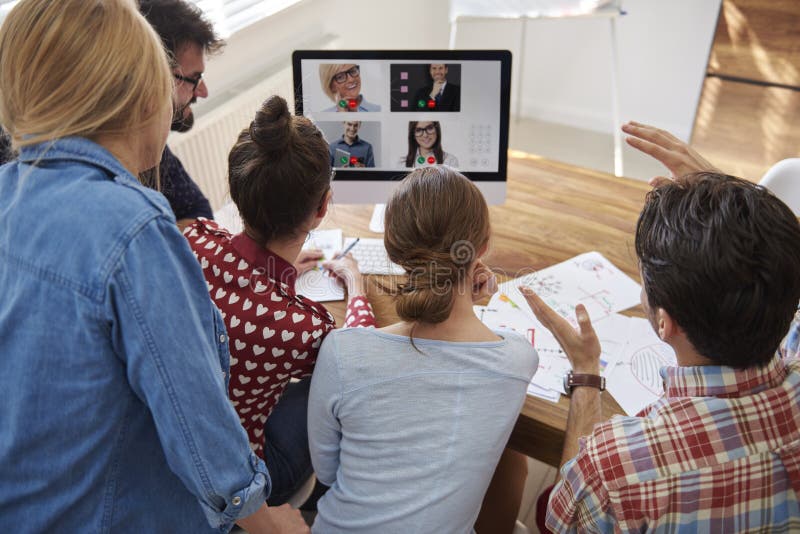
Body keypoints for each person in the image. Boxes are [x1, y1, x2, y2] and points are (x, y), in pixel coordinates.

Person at [0, 1, 306, 532]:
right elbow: (206, 441)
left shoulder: (8, 192)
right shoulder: (133, 229)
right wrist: (274, 524)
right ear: (137, 93)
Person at [520, 135, 800, 530]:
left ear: (665, 324)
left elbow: (560, 522)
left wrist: (586, 375)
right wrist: (729, 203)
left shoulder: (616, 467)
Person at [307, 166, 539, 533]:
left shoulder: (341, 352)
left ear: (393, 250)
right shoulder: (517, 359)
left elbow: (326, 473)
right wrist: (468, 303)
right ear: (483, 247)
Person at [183, 95, 377, 506]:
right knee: (329, 388)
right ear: (323, 206)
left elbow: (234, 291)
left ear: (237, 192)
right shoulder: (302, 328)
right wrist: (357, 288)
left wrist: (279, 272)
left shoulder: (193, 239)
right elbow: (359, 361)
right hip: (242, 467)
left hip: (184, 443)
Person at [139, 0, 220, 226]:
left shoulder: (156, 148)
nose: (203, 92)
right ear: (154, 78)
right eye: (194, 78)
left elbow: (199, 210)